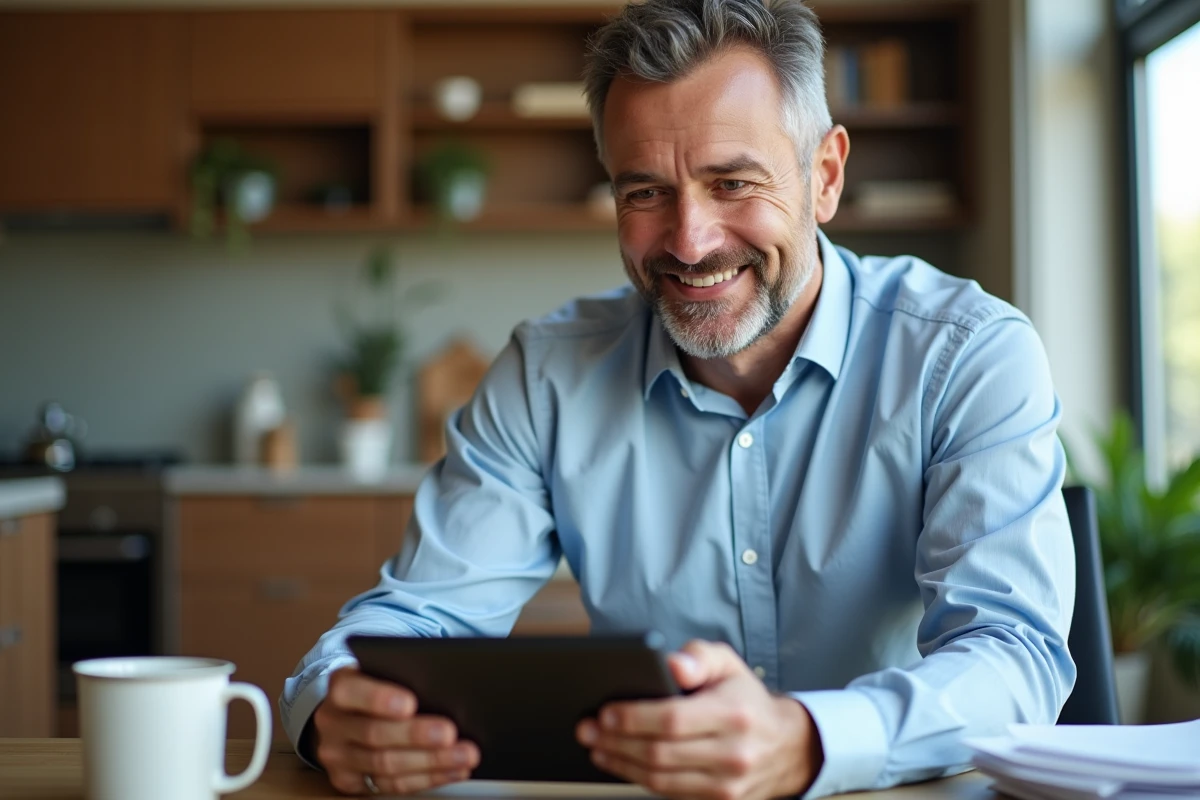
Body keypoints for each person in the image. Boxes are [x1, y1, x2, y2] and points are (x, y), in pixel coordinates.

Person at [281, 0, 1077, 797]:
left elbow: (1014, 654)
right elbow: (418, 618)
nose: (690, 240)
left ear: (824, 176)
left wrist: (807, 740)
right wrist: (335, 714)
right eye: (645, 193)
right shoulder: (547, 374)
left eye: (733, 182)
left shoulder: (968, 354)